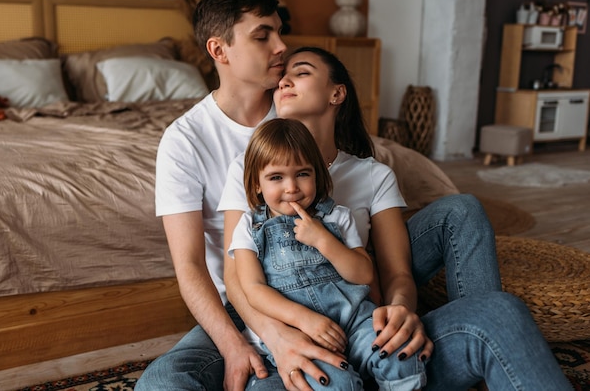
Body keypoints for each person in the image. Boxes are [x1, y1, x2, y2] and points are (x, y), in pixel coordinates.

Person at [218, 46, 572, 390]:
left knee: (499, 306)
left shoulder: (370, 177)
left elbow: (392, 273)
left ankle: (456, 363)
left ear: (336, 93)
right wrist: (281, 336)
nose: (283, 82)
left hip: (366, 329)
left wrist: (401, 311)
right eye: (283, 76)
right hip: (295, 345)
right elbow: (240, 279)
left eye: (302, 72)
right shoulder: (248, 168)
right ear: (260, 183)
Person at [136, 0, 347, 391]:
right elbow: (190, 266)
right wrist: (235, 345)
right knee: (160, 383)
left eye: (280, 31)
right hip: (237, 305)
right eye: (262, 35)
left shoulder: (298, 113)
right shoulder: (185, 140)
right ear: (219, 50)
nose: (281, 46)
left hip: (321, 288)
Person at [229, 118, 426, 390]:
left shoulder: (336, 216)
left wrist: (324, 240)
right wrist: (304, 320)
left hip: (355, 320)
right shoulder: (249, 228)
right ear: (256, 185)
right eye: (276, 177)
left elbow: (363, 274)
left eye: (303, 174)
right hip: (300, 332)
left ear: (317, 175)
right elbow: (253, 289)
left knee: (402, 356)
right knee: (337, 384)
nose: (291, 188)